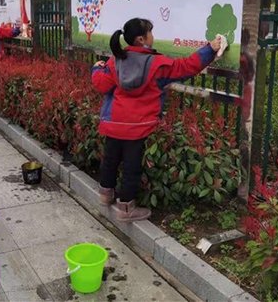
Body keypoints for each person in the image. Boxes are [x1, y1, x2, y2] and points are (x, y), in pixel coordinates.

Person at [91, 18, 222, 222]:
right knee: (131, 167)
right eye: (151, 32)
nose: (154, 36)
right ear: (142, 39)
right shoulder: (158, 64)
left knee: (110, 159)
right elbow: (187, 67)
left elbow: (101, 84)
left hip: (115, 122)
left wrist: (96, 69)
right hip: (139, 125)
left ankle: (105, 195)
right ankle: (125, 209)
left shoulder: (115, 60)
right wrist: (210, 49)